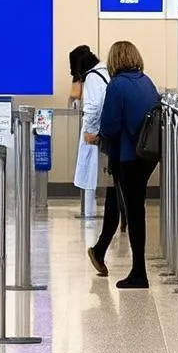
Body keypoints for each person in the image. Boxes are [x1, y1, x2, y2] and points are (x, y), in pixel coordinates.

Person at [91, 41, 160, 289]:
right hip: (148, 155)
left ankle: (139, 272)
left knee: (133, 212)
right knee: (135, 209)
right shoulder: (145, 81)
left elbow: (109, 126)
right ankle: (106, 254)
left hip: (128, 156)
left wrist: (99, 136)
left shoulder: (117, 85)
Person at [69, 44, 115, 228]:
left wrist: (89, 131)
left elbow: (93, 106)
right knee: (107, 175)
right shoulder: (107, 71)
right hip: (109, 129)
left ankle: (89, 211)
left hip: (96, 131)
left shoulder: (92, 78)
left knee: (90, 171)